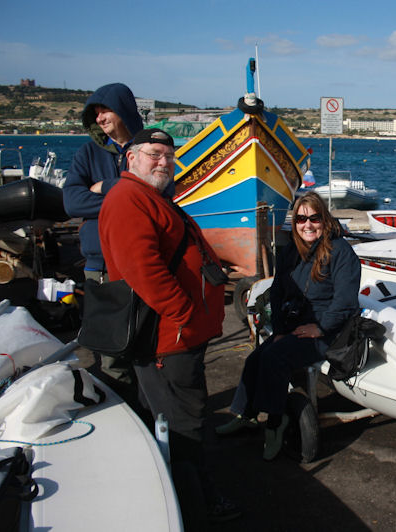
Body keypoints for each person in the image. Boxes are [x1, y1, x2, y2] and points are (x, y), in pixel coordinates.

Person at [98, 128, 240, 527]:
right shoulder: (128, 199)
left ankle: (183, 493)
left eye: (169, 155)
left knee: (171, 415)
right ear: (131, 158)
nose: (163, 161)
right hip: (168, 341)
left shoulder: (149, 197)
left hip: (178, 338)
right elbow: (143, 270)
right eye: (154, 153)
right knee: (185, 423)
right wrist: (185, 315)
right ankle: (198, 505)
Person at [216, 191, 361, 461]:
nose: (308, 225)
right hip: (296, 324)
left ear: (324, 219)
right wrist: (280, 329)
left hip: (328, 329)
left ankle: (275, 423)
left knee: (274, 358)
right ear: (294, 223)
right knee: (256, 358)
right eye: (301, 219)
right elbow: (278, 292)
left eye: (314, 218)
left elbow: (345, 300)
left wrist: (320, 327)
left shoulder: (341, 252)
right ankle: (245, 414)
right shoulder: (291, 253)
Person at [63, 83, 144, 385]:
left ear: (124, 110)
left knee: (147, 346)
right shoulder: (87, 153)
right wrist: (131, 195)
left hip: (142, 265)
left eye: (105, 110)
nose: (99, 118)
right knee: (111, 354)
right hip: (100, 270)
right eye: (95, 113)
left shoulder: (150, 149)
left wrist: (108, 187)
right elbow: (72, 201)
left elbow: (162, 196)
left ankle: (152, 418)